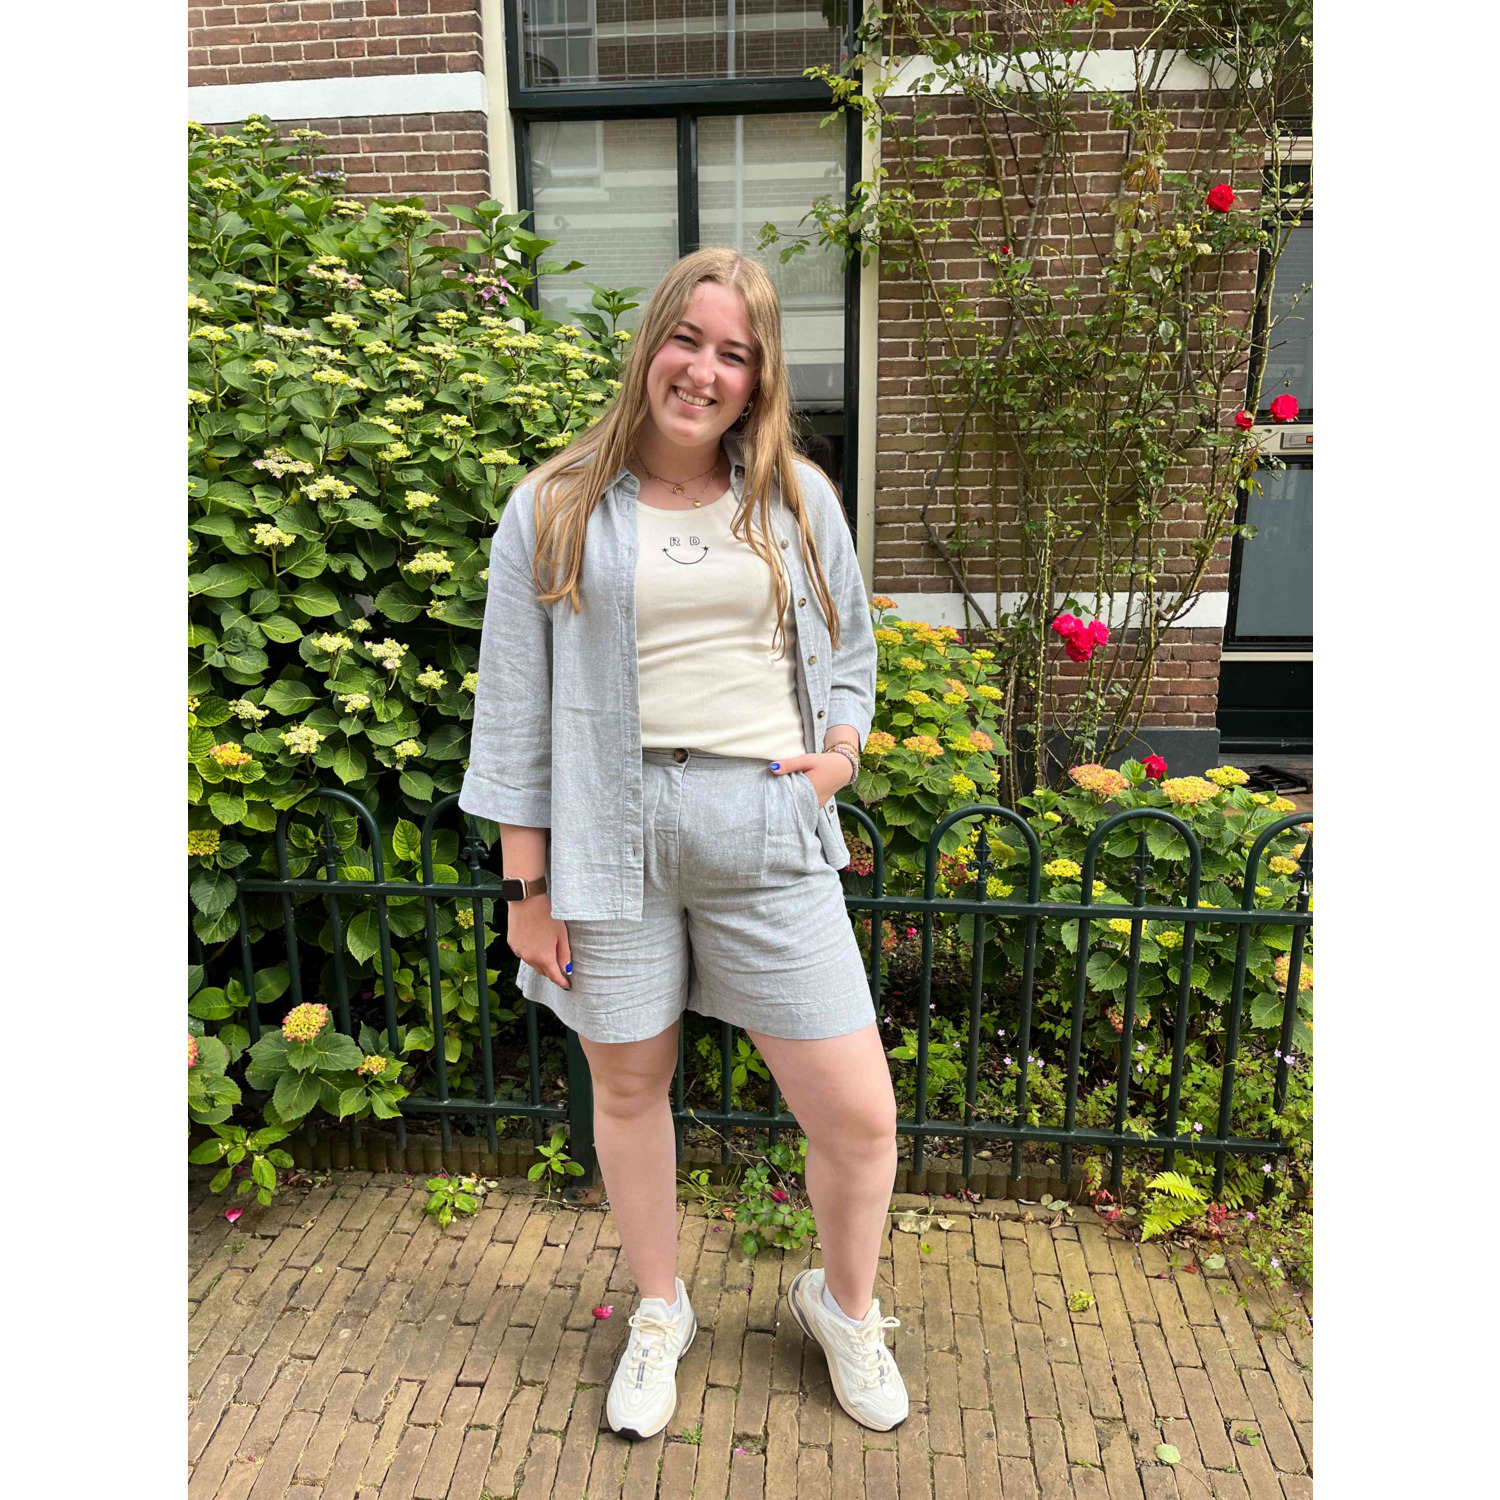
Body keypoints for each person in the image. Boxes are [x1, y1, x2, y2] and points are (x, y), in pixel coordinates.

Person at [459, 246, 907, 1441]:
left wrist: (841, 753)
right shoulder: (554, 505)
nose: (703, 371)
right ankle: (660, 1309)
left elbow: (851, 650)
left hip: (767, 824)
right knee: (626, 1085)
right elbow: (513, 708)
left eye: (734, 354)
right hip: (608, 831)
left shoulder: (796, 498)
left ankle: (844, 1309)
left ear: (760, 378)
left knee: (859, 1115)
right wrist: (525, 888)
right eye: (687, 340)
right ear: (650, 343)